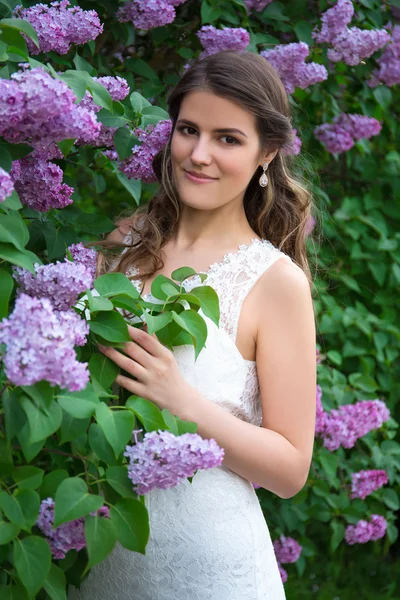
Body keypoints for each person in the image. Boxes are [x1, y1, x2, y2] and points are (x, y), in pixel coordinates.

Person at [69, 49, 317, 600]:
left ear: (266, 154)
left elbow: (291, 469)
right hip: (108, 556)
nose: (199, 155)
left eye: (227, 138)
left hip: (210, 568)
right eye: (188, 130)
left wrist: (183, 402)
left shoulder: (275, 283)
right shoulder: (124, 243)